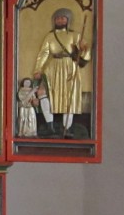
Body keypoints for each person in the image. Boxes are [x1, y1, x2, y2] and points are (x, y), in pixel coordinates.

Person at [31, 7, 90, 137]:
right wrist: (38, 69)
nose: (60, 20)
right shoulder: (50, 36)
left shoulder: (75, 35)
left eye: (63, 18)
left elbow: (86, 51)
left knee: (69, 96)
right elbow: (43, 53)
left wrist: (83, 50)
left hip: (70, 66)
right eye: (57, 18)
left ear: (68, 20)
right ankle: (49, 125)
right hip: (52, 68)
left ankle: (67, 128)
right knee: (42, 92)